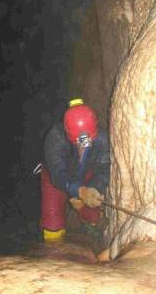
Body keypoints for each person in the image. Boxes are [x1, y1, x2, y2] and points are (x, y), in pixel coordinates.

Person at [39, 98, 110, 242]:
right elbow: (58, 174)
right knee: (53, 224)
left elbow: (104, 167)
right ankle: (53, 253)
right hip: (56, 178)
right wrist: (79, 191)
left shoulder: (101, 138)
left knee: (94, 215)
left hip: (85, 173)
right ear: (67, 133)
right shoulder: (55, 138)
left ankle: (88, 231)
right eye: (79, 141)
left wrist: (94, 187)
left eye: (87, 140)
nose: (83, 145)